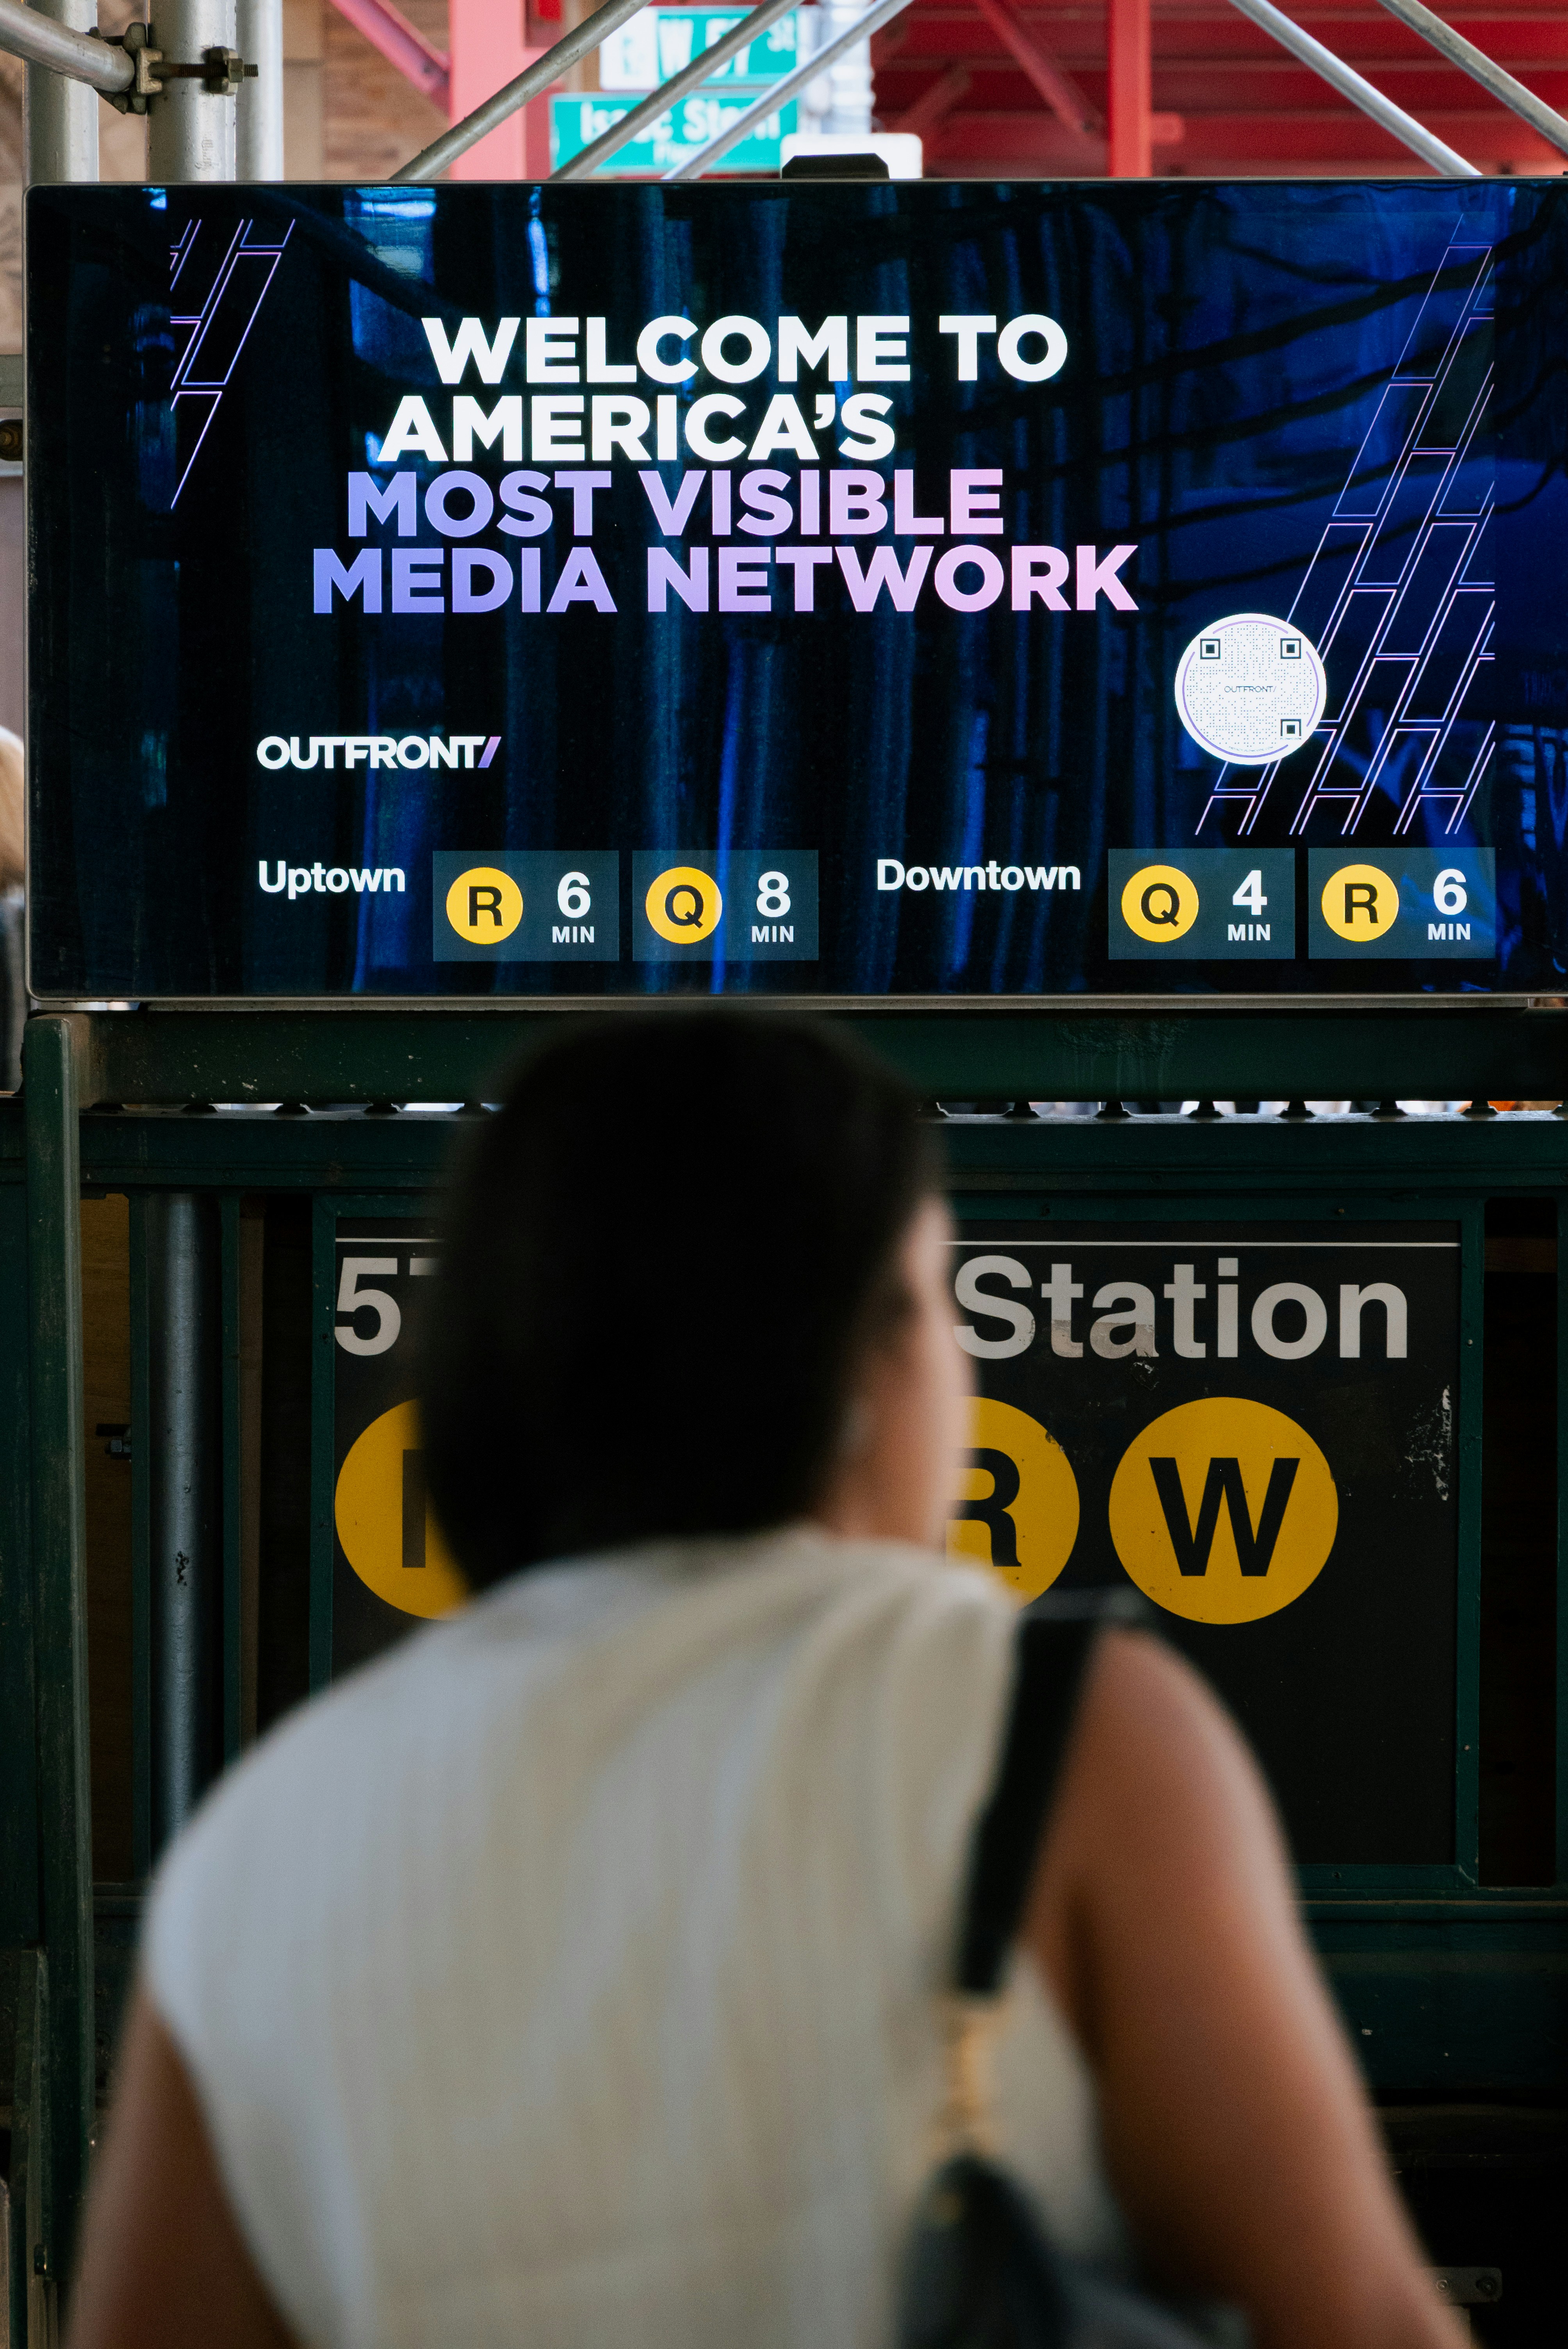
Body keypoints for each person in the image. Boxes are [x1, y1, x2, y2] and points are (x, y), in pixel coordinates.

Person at [69, 1009, 1460, 2349]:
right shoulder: (1064, 1732)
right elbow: (1357, 2322)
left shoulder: (259, 1849)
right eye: (939, 1300)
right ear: (863, 1370)